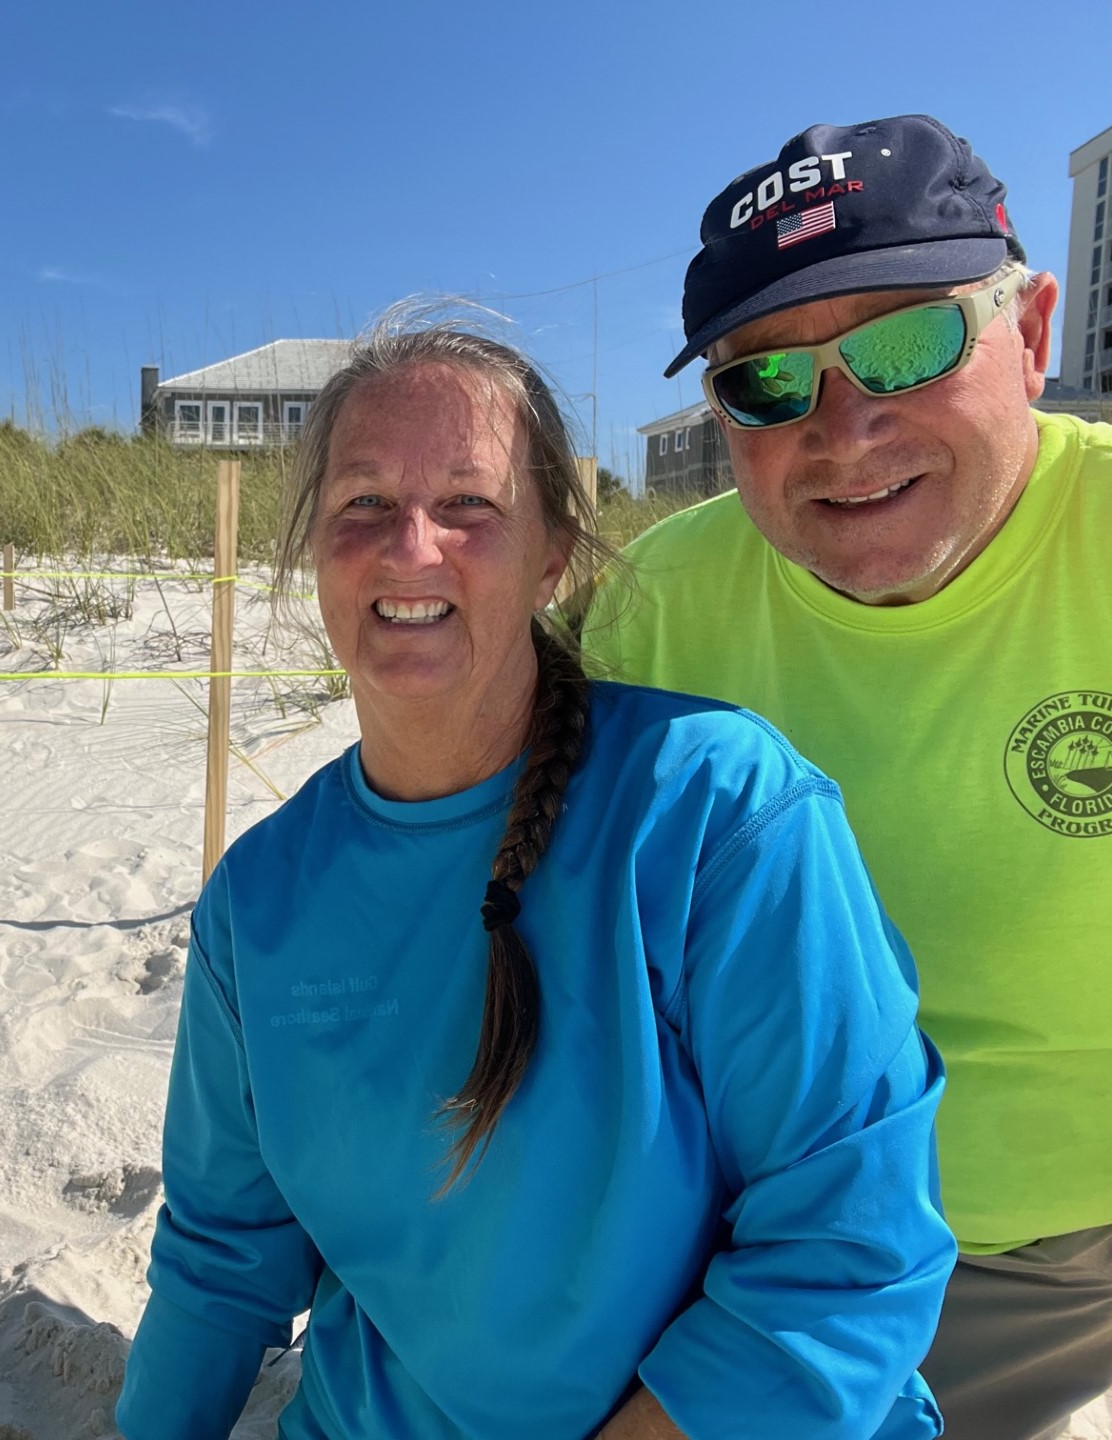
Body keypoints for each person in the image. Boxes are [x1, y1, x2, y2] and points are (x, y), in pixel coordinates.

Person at [116, 311, 956, 1440]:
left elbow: (852, 1253)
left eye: (469, 504)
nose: (412, 547)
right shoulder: (258, 902)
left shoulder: (718, 812)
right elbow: (224, 1255)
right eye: (363, 503)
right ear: (316, 547)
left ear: (555, 552)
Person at [582, 113, 1112, 1440]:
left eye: (909, 341)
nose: (846, 421)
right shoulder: (658, 604)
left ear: (1033, 335)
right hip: (727, 1238)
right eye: (767, 382)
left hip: (1049, 1269)